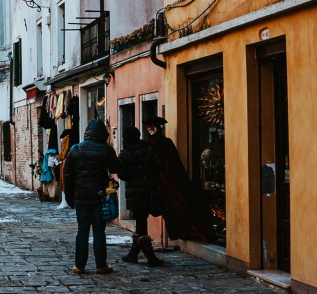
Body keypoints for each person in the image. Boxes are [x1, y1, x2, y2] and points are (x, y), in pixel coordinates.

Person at [63, 119, 120, 275]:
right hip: (99, 196)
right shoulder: (106, 150)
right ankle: (101, 265)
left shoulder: (75, 149)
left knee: (82, 230)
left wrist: (69, 197)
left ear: (87, 132)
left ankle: (79, 265)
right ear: (102, 133)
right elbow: (116, 168)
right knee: (99, 231)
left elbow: (67, 176)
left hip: (80, 197)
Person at [145, 116, 216, 242]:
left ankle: (188, 230)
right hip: (159, 182)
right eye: (148, 127)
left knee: (179, 204)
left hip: (169, 180)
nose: (150, 129)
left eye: (152, 127)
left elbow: (172, 163)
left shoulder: (165, 143)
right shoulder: (149, 144)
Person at [117, 126, 163, 266]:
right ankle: (133, 254)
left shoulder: (125, 154)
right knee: (141, 222)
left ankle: (151, 258)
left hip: (135, 193)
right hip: (149, 190)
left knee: (141, 224)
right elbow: (159, 166)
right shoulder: (148, 150)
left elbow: (122, 175)